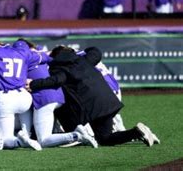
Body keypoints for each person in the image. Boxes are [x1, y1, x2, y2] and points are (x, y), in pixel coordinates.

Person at [28, 46, 159, 147]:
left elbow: (56, 80)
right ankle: (138, 132)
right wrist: (83, 50)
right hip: (108, 101)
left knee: (104, 138)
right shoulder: (83, 59)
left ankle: (136, 132)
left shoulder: (60, 68)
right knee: (105, 138)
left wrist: (33, 84)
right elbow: (96, 52)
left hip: (94, 107)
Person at [16, 40, 93, 148]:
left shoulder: (22, 58)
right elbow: (51, 54)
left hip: (44, 98)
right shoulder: (42, 55)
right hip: (59, 96)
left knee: (43, 140)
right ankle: (79, 130)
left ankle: (76, 135)